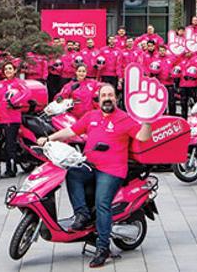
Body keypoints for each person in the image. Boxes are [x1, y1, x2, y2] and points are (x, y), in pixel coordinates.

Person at [37, 84, 152, 268]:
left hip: (112, 170)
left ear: (116, 98)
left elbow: (142, 136)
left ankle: (103, 248)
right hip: (92, 165)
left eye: (110, 95)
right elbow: (71, 131)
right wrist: (49, 138)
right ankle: (82, 215)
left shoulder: (124, 119)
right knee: (72, 173)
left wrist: (148, 121)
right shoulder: (92, 116)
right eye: (103, 95)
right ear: (98, 99)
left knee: (102, 203)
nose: (107, 98)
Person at [0, 62, 30, 177]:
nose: (8, 71)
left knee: (10, 146)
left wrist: (14, 102)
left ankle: (11, 170)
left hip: (12, 119)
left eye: (10, 69)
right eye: (6, 69)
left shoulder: (19, 83)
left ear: (15, 71)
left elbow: (27, 93)